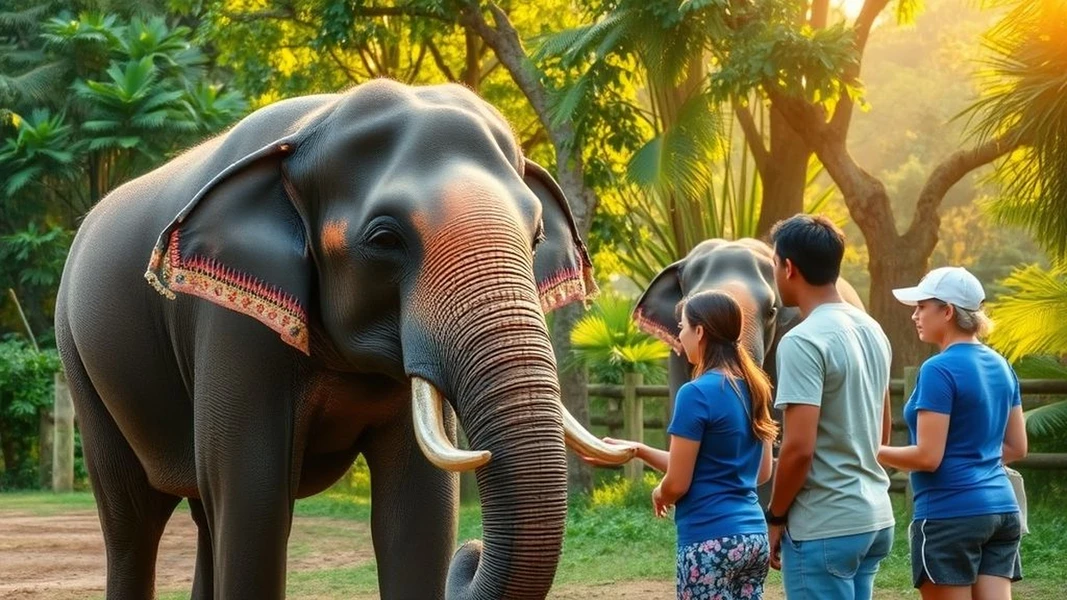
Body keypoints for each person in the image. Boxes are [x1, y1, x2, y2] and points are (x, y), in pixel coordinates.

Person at [589, 290, 777, 599]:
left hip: (710, 541)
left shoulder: (696, 393)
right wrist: (639, 450)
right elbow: (762, 472)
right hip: (753, 539)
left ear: (700, 331)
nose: (680, 336)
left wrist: (660, 492)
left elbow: (678, 481)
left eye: (683, 327)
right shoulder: (756, 388)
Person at [765, 214, 895, 600]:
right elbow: (882, 432)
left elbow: (798, 449)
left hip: (824, 526)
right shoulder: (872, 329)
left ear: (789, 268)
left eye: (774, 263)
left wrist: (775, 515)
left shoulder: (802, 341)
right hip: (874, 517)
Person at [879, 266, 1028, 600]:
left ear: (947, 311)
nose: (914, 315)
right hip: (1002, 511)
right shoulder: (1001, 365)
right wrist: (974, 460)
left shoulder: (938, 369)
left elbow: (927, 457)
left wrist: (869, 450)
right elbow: (1017, 447)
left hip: (950, 515)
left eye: (922, 307)